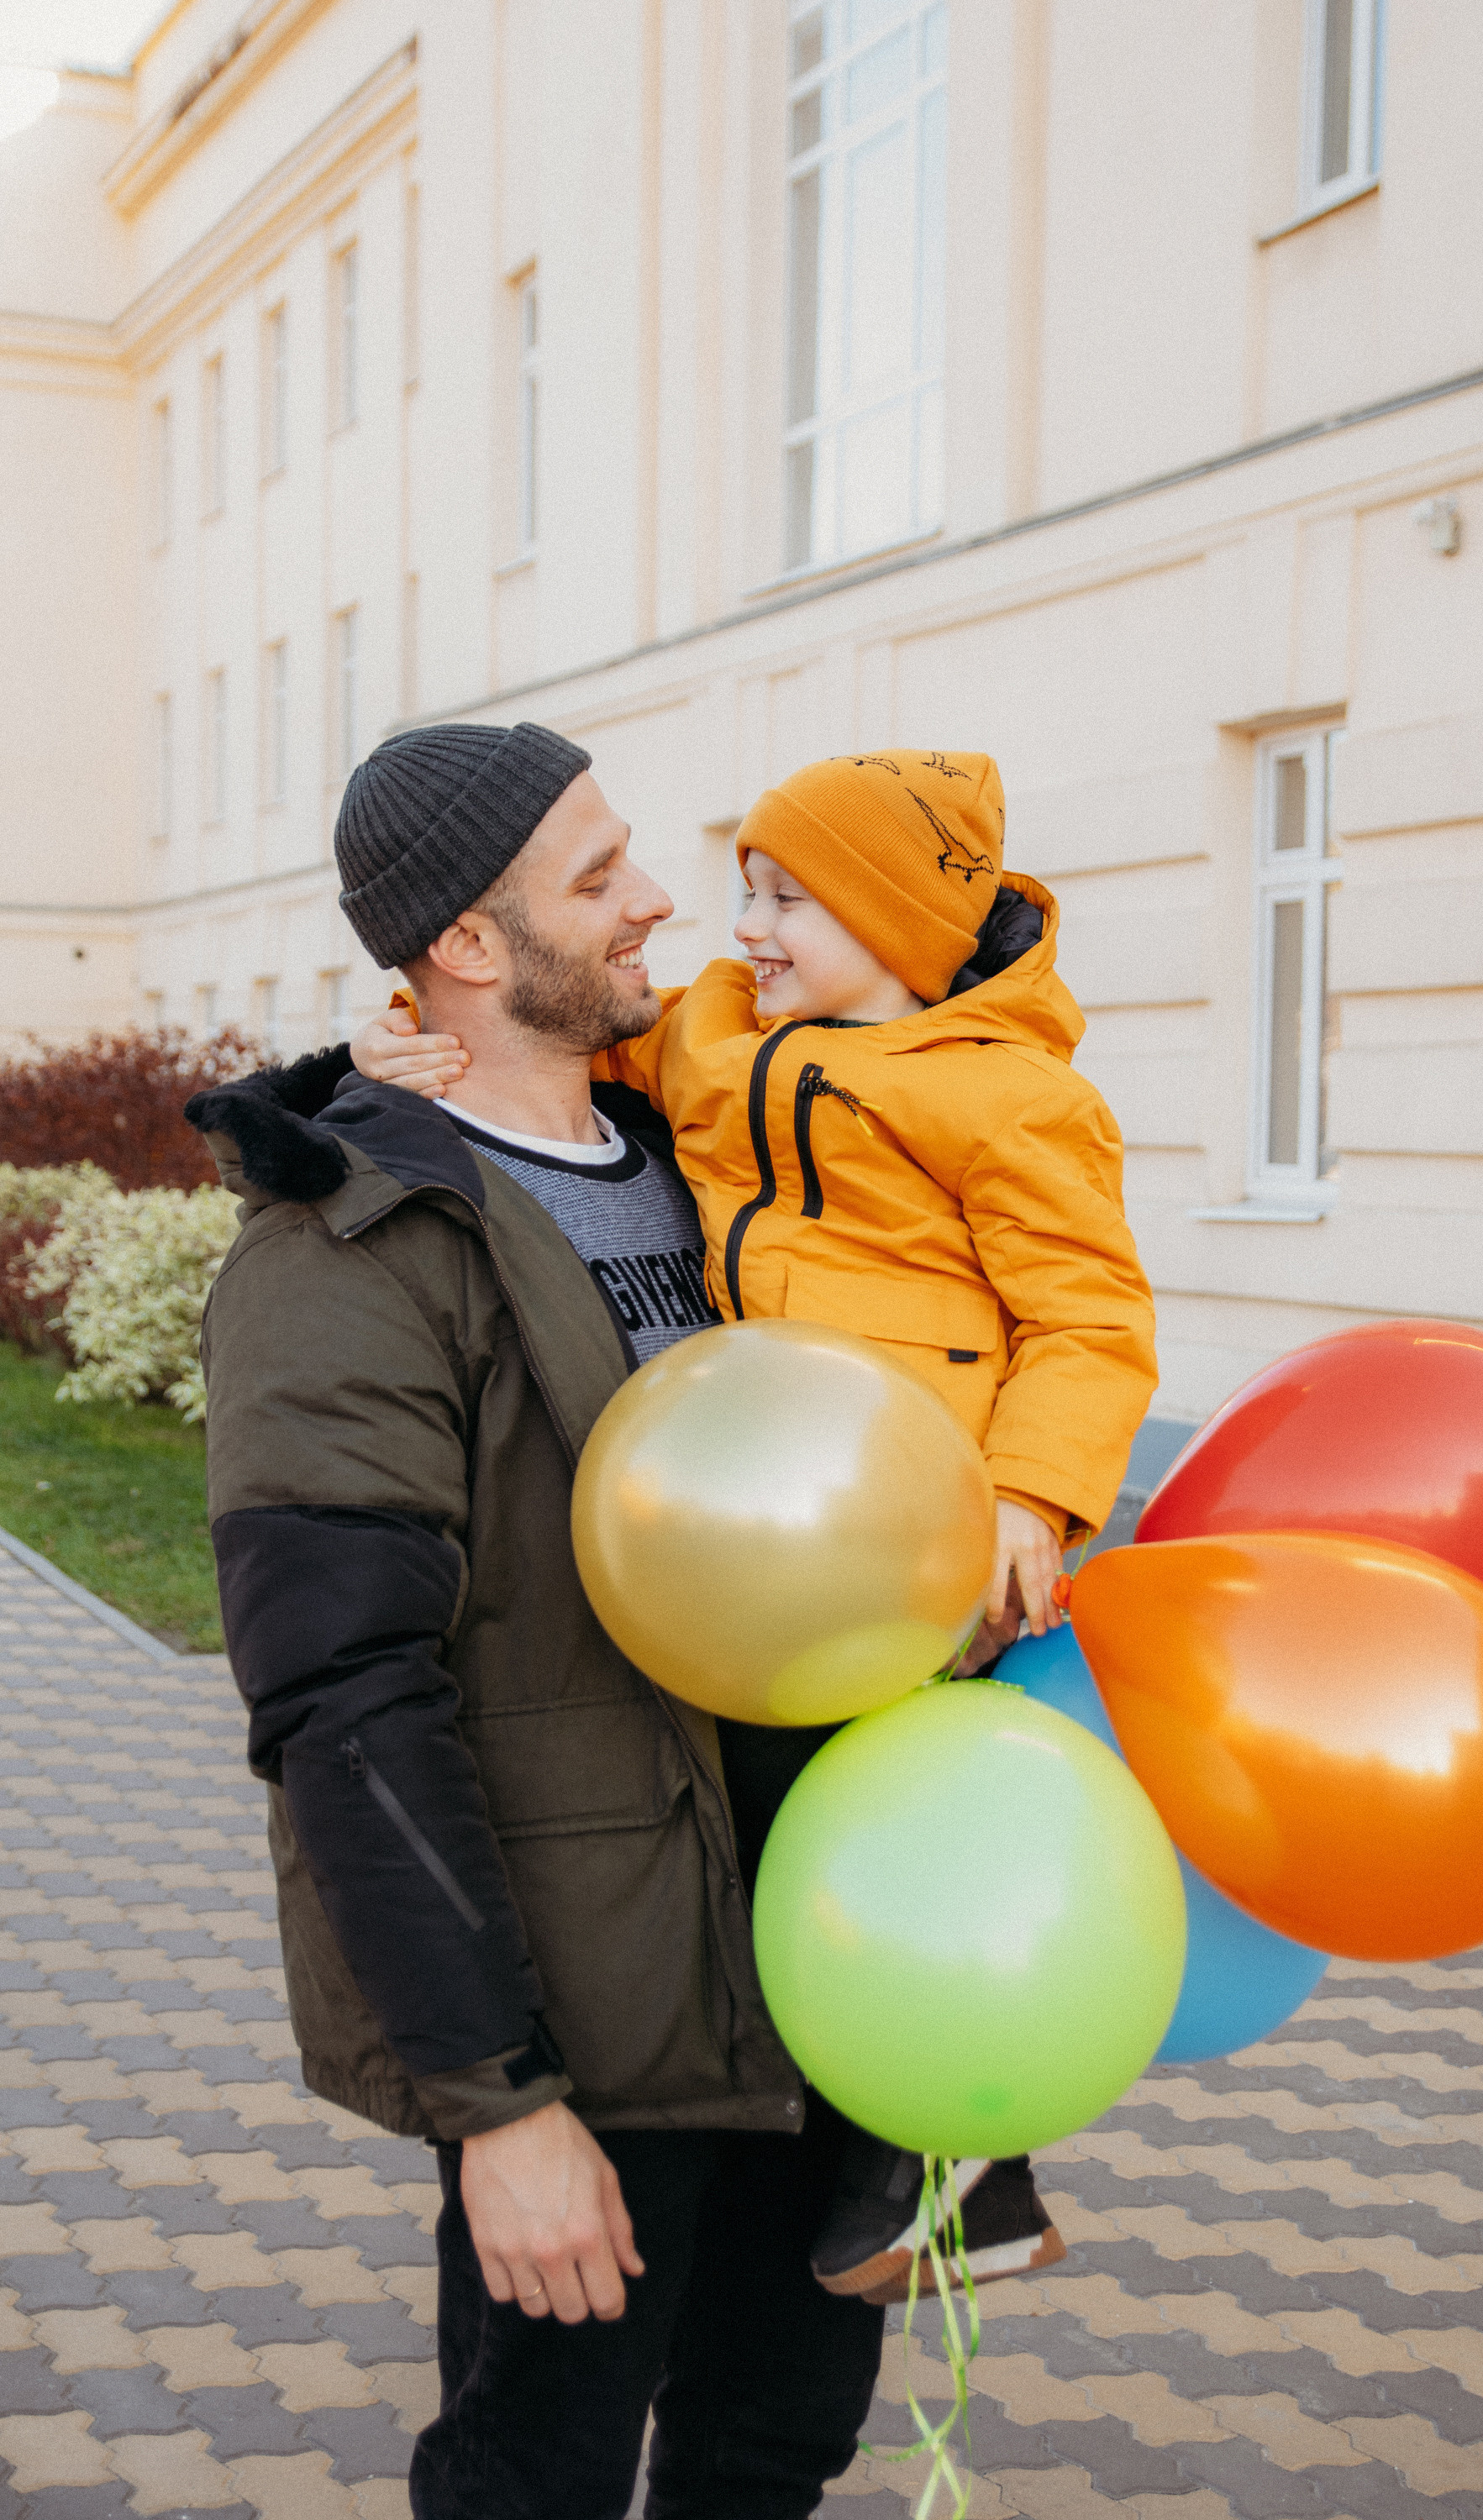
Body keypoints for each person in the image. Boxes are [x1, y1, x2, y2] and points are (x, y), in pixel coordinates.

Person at [348, 742, 1159, 2305]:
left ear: (904, 926)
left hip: (925, 1524)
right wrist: (388, 1048)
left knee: (897, 1824)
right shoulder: (719, 1034)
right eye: (747, 895)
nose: (749, 930)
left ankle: (958, 2160)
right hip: (776, 1520)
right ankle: (884, 2164)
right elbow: (538, 1038)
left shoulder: (1012, 1097)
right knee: (792, 1823)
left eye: (791, 900)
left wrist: (1030, 1498)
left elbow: (1091, 1318)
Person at [187, 721, 888, 2520]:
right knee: (536, 2480)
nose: (659, 896)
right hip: (595, 2023)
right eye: (600, 875)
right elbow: (343, 1701)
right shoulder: (346, 1252)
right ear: (471, 950)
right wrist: (496, 2107)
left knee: (770, 2450)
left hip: (821, 1968)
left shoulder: (708, 1168)